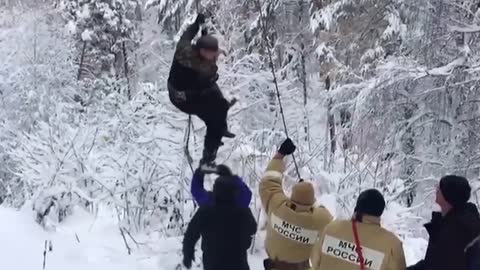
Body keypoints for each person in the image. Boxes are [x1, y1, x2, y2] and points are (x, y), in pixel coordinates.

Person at [168, 13, 235, 168]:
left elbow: (187, 34)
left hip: (185, 86)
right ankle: (208, 157)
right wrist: (213, 64)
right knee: (214, 116)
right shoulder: (201, 66)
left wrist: (197, 24)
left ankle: (221, 128)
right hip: (183, 98)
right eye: (212, 54)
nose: (214, 56)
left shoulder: (185, 46)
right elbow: (210, 74)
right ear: (203, 52)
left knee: (219, 100)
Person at [259, 138, 333, 270]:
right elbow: (323, 212)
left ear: (291, 196)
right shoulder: (319, 220)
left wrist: (280, 154)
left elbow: (268, 182)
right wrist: (311, 200)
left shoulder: (277, 206)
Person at [311, 189, 406, 270]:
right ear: (380, 212)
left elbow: (315, 262)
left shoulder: (331, 228)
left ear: (357, 206)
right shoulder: (392, 245)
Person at [182, 171, 257, 270]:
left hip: (212, 263)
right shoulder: (242, 209)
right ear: (234, 191)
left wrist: (188, 253)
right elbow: (253, 229)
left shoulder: (206, 209)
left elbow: (191, 233)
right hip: (238, 262)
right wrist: (246, 240)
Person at [407, 175, 480, 270]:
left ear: (449, 195)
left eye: (440, 188)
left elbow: (440, 265)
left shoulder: (457, 231)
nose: (436, 190)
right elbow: (433, 262)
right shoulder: (448, 223)